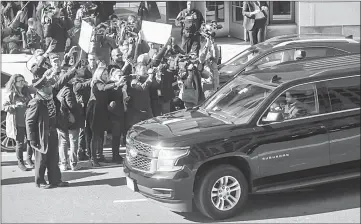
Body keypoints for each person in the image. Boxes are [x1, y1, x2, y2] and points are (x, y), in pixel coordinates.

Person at [25, 64, 78, 189]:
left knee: (54, 157)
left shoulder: (50, 94)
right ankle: (40, 181)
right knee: (41, 159)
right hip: (41, 134)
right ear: (42, 88)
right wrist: (32, 140)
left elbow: (61, 81)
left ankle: (55, 180)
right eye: (48, 85)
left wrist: (73, 70)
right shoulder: (36, 102)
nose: (51, 86)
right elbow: (29, 122)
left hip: (53, 131)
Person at [86, 65, 124, 167]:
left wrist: (119, 87)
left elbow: (112, 95)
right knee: (95, 135)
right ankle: (93, 158)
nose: (106, 75)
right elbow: (103, 88)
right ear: (99, 74)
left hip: (102, 111)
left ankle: (99, 155)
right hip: (94, 110)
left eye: (107, 74)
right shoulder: (96, 83)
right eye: (104, 74)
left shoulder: (106, 84)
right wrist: (116, 83)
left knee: (100, 135)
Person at [2, 74, 34, 171]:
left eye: (23, 80)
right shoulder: (10, 94)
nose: (21, 82)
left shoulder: (26, 92)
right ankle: (20, 162)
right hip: (17, 122)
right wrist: (15, 106)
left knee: (30, 141)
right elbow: (5, 107)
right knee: (19, 143)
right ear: (14, 83)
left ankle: (29, 159)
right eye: (19, 81)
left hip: (28, 120)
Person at [56, 73, 82, 171]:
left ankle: (63, 163)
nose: (75, 79)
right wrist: (79, 104)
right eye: (73, 78)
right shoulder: (68, 90)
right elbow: (71, 105)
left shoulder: (59, 90)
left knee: (63, 142)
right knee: (73, 141)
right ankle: (73, 163)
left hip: (61, 120)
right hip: (71, 120)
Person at [73, 54, 97, 161]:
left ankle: (87, 151)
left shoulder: (97, 70)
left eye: (94, 59)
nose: (93, 61)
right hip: (83, 104)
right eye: (91, 59)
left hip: (92, 103)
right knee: (83, 129)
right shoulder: (82, 72)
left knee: (89, 129)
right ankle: (80, 151)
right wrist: (90, 82)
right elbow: (77, 87)